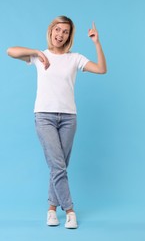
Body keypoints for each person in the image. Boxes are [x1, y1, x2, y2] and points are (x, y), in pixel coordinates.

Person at [6, 16, 107, 229]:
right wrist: (35, 52)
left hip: (69, 118)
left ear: (69, 36)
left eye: (65, 32)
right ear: (51, 30)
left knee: (59, 167)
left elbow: (101, 69)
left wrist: (97, 42)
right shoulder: (38, 57)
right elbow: (10, 51)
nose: (60, 35)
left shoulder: (75, 58)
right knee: (58, 166)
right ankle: (70, 211)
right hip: (44, 116)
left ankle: (51, 209)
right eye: (58, 30)